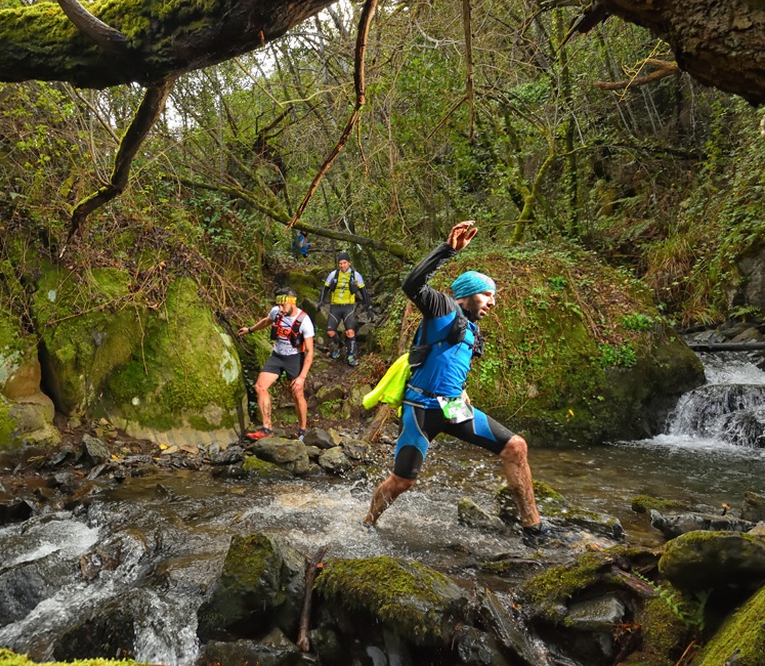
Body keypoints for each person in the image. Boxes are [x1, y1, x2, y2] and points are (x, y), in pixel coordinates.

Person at [362, 220, 568, 547]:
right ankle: (368, 523)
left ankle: (534, 529)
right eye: (487, 294)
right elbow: (413, 284)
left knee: (516, 447)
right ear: (468, 294)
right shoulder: (442, 307)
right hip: (421, 409)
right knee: (402, 482)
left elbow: (451, 365)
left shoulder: (472, 330)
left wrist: (463, 392)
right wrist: (448, 250)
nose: (492, 301)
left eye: (493, 296)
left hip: (454, 406)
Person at [237, 288, 315, 441]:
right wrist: (250, 330)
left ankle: (302, 430)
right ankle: (267, 428)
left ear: (292, 302)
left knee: (297, 393)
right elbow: (267, 321)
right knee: (260, 387)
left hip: (294, 358)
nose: (280, 309)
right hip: (277, 356)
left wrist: (302, 377)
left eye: (283, 306)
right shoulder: (276, 312)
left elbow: (310, 352)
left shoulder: (305, 321)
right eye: (278, 305)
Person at [319, 251, 372, 366]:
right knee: (330, 332)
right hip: (335, 306)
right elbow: (325, 288)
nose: (342, 265)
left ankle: (351, 356)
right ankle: (339, 346)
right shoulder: (333, 274)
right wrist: (321, 301)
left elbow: (364, 292)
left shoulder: (356, 275)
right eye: (340, 263)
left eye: (344, 263)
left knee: (350, 332)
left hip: (348, 307)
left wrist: (369, 306)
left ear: (349, 263)